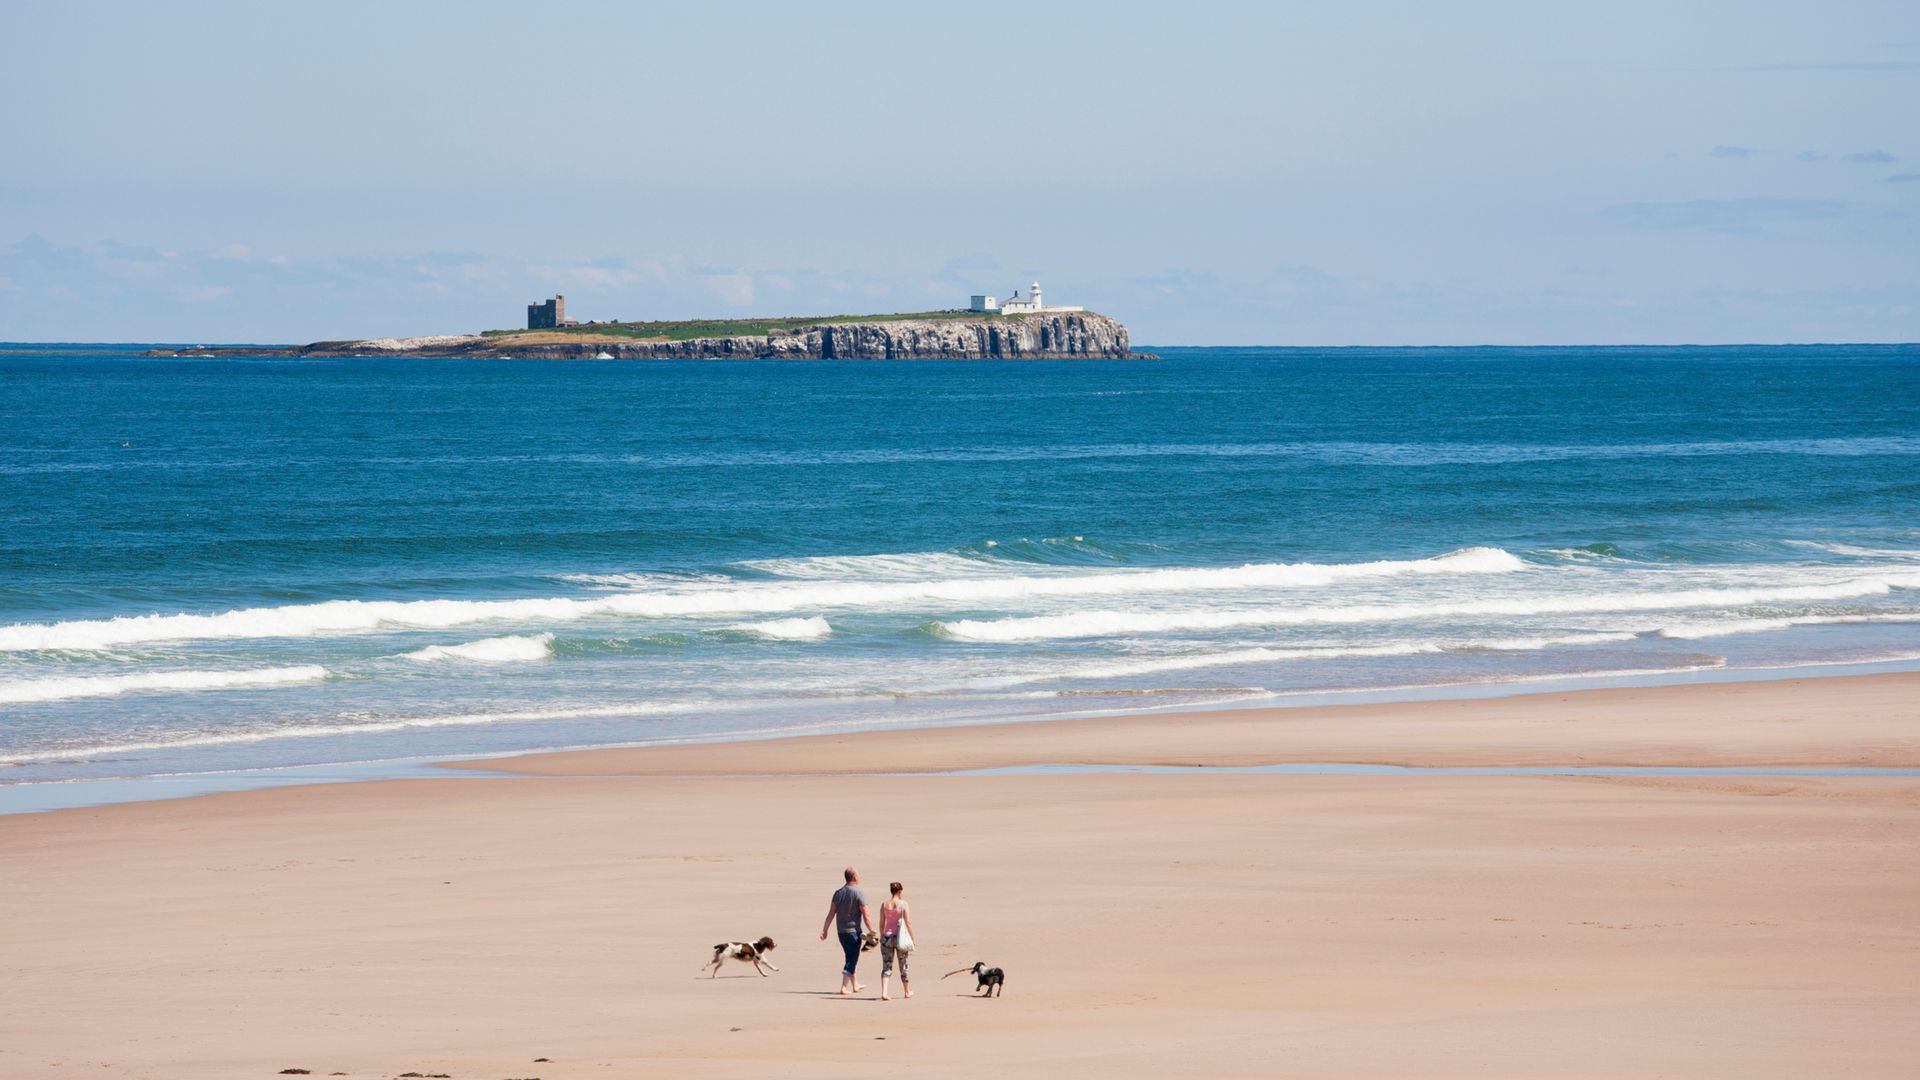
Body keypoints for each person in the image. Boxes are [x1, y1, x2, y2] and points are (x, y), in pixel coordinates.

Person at [819, 866, 875, 995]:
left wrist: (825, 930)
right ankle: (844, 987)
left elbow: (831, 914)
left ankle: (855, 984)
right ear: (855, 877)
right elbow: (866, 915)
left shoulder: (838, 893)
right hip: (853, 932)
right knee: (851, 959)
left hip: (841, 932)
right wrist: (872, 931)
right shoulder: (858, 893)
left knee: (850, 956)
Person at [878, 881, 916, 1001]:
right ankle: (906, 991)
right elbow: (908, 923)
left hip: (887, 938)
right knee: (903, 964)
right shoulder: (903, 904)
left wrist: (882, 935)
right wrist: (912, 938)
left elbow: (881, 923)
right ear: (900, 891)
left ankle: (884, 992)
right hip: (900, 938)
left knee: (887, 966)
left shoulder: (884, 904)